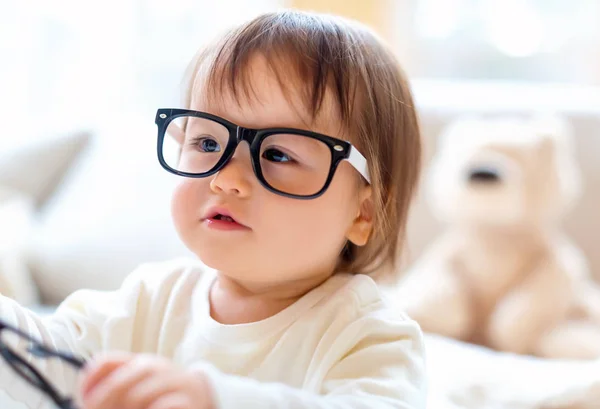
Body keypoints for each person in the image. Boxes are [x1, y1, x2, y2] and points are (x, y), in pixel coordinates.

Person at [0, 9, 426, 409]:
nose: (226, 178)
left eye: (277, 154)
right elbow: (48, 358)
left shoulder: (368, 335)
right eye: (207, 143)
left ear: (363, 213)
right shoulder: (152, 298)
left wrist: (216, 398)